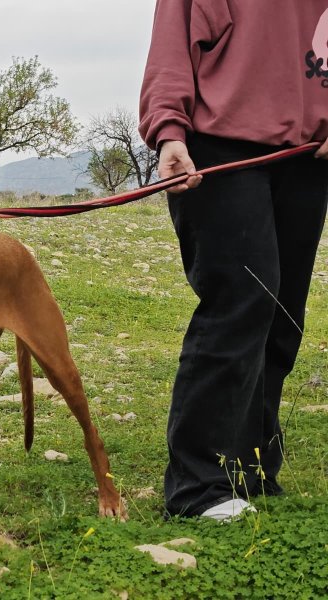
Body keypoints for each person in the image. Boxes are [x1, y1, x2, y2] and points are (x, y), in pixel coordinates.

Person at [139, 0, 328, 520]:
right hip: (218, 147)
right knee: (241, 301)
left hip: (308, 154)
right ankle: (197, 487)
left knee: (283, 314)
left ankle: (250, 468)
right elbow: (173, 40)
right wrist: (169, 130)